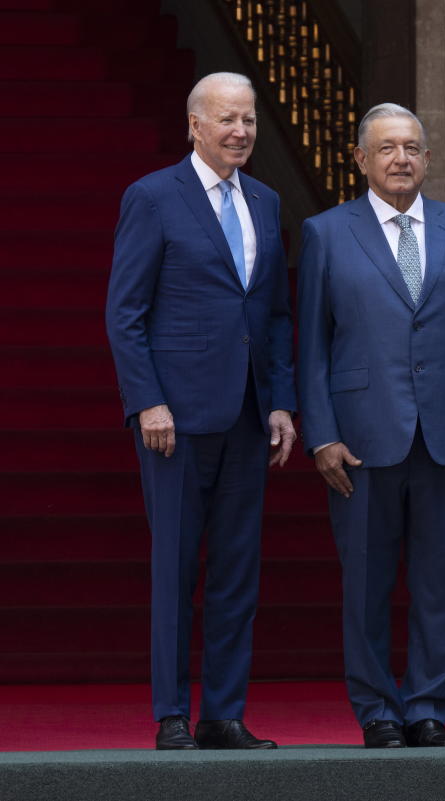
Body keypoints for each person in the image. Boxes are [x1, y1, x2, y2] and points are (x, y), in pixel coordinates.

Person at [297, 103, 445, 748]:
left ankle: (426, 708)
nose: (401, 159)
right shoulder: (327, 232)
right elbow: (312, 345)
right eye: (386, 149)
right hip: (360, 437)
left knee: (439, 583)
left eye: (412, 148)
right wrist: (322, 434)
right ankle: (377, 712)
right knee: (365, 583)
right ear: (360, 160)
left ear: (428, 157)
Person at [105, 72, 296, 750]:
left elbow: (273, 315)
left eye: (247, 118)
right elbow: (124, 312)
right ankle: (171, 714)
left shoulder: (267, 202)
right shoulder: (154, 197)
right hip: (174, 419)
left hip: (247, 414)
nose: (241, 130)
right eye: (226, 119)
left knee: (238, 570)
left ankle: (223, 712)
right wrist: (147, 400)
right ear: (194, 123)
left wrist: (280, 403)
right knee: (176, 567)